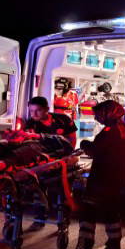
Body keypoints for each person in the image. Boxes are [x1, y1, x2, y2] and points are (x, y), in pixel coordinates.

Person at [61, 100, 125, 249]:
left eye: (99, 114)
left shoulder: (109, 132)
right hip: (117, 181)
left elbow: (95, 150)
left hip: (101, 181)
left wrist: (84, 143)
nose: (96, 117)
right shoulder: (124, 130)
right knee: (112, 215)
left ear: (109, 114)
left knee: (87, 216)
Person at [22, 95, 78, 231]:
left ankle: (63, 221)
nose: (34, 114)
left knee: (63, 193)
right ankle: (39, 220)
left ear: (47, 109)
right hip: (44, 161)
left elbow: (72, 140)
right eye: (31, 111)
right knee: (38, 191)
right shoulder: (31, 124)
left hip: (64, 160)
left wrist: (67, 156)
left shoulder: (63, 119)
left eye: (38, 110)